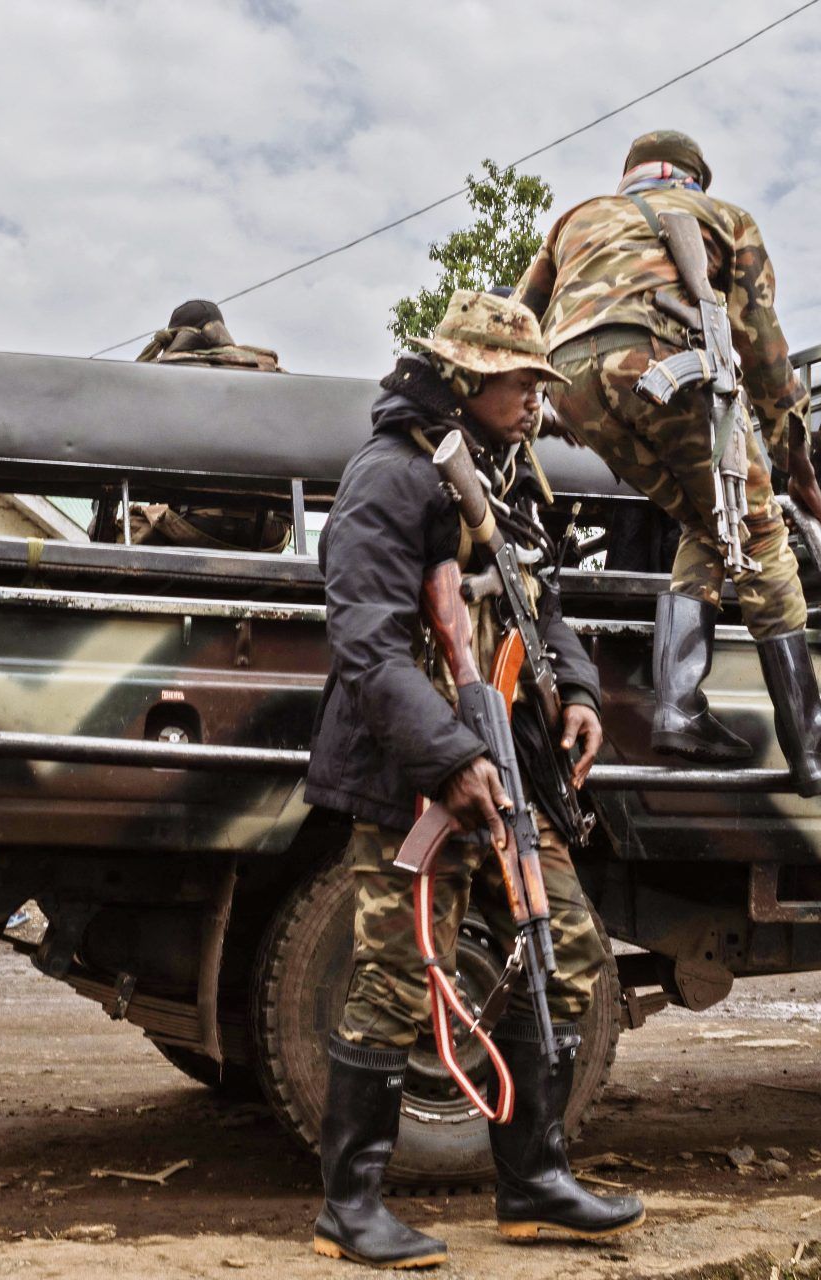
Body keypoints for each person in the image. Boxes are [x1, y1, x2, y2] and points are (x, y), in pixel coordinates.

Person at [306, 291, 642, 1268]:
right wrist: (449, 761)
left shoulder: (502, 478)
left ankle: (534, 1183)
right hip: (413, 777)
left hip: (513, 767)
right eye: (521, 382)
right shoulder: (390, 478)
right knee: (399, 978)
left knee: (566, 949)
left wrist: (575, 693)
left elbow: (547, 604)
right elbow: (367, 644)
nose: (538, 400)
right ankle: (349, 1207)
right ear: (465, 379)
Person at [516, 130, 821, 796]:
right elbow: (762, 348)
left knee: (705, 520)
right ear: (695, 179)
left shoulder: (575, 220)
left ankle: (680, 707)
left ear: (630, 177)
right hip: (662, 367)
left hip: (569, 385)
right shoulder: (724, 219)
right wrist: (796, 458)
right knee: (760, 540)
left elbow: (516, 314)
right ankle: (812, 754)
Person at [127, 299, 292, 552]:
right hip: (268, 533)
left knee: (114, 529)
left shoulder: (165, 376)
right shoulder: (271, 375)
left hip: (193, 525)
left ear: (174, 338)